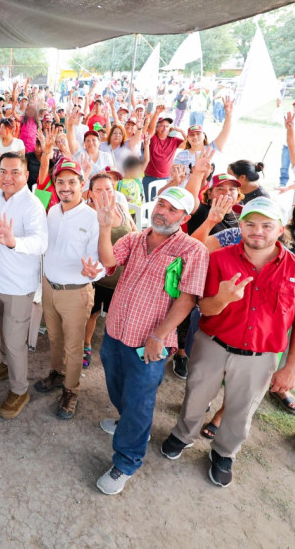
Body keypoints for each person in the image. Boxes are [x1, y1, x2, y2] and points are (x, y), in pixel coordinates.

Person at [160, 197, 295, 487]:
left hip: (260, 356)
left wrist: (291, 368)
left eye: (266, 225)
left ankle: (224, 452)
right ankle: (183, 435)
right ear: (241, 227)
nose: (257, 231)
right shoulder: (218, 259)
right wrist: (222, 298)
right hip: (212, 344)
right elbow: (204, 308)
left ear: (280, 229)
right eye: (250, 224)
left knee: (242, 408)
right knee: (196, 396)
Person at [93, 186, 208, 495]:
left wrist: (159, 336)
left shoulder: (192, 250)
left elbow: (187, 299)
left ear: (185, 217)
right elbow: (108, 260)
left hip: (150, 340)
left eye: (172, 209)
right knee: (117, 385)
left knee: (140, 400)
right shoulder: (135, 238)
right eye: (161, 204)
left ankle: (126, 462)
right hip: (117, 330)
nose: (162, 212)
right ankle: (129, 423)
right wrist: (104, 227)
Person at [34, 159, 105, 420]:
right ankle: (57, 373)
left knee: (74, 347)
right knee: (54, 339)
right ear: (55, 184)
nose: (66, 187)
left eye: (72, 182)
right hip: (49, 287)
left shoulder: (93, 218)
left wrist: (94, 271)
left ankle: (71, 390)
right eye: (61, 181)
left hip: (76, 292)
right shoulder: (52, 211)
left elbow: (101, 260)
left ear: (82, 184)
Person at [0, 152, 49, 419]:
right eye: (3, 171)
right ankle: (6, 363)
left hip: (19, 286)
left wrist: (14, 242)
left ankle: (20, 390)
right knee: (1, 330)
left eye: (15, 172)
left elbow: (40, 242)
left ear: (26, 175)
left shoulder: (32, 206)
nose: (7, 177)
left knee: (14, 340)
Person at [83, 172, 136, 368]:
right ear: (90, 193)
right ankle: (86, 345)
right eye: (99, 190)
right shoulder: (86, 213)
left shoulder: (121, 208)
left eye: (108, 189)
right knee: (92, 313)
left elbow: (135, 234)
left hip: (122, 278)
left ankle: (117, 350)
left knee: (119, 315)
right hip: (96, 278)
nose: (104, 193)